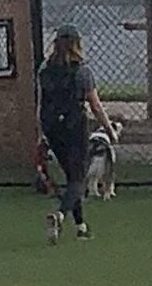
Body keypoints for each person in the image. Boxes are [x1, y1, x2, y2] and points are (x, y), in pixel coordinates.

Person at [38, 24, 117, 244]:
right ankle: (60, 215)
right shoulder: (82, 70)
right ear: (77, 44)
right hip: (75, 127)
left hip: (52, 128)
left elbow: (41, 103)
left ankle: (81, 227)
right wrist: (109, 129)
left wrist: (41, 134)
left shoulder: (45, 69)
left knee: (73, 177)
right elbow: (95, 105)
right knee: (78, 179)